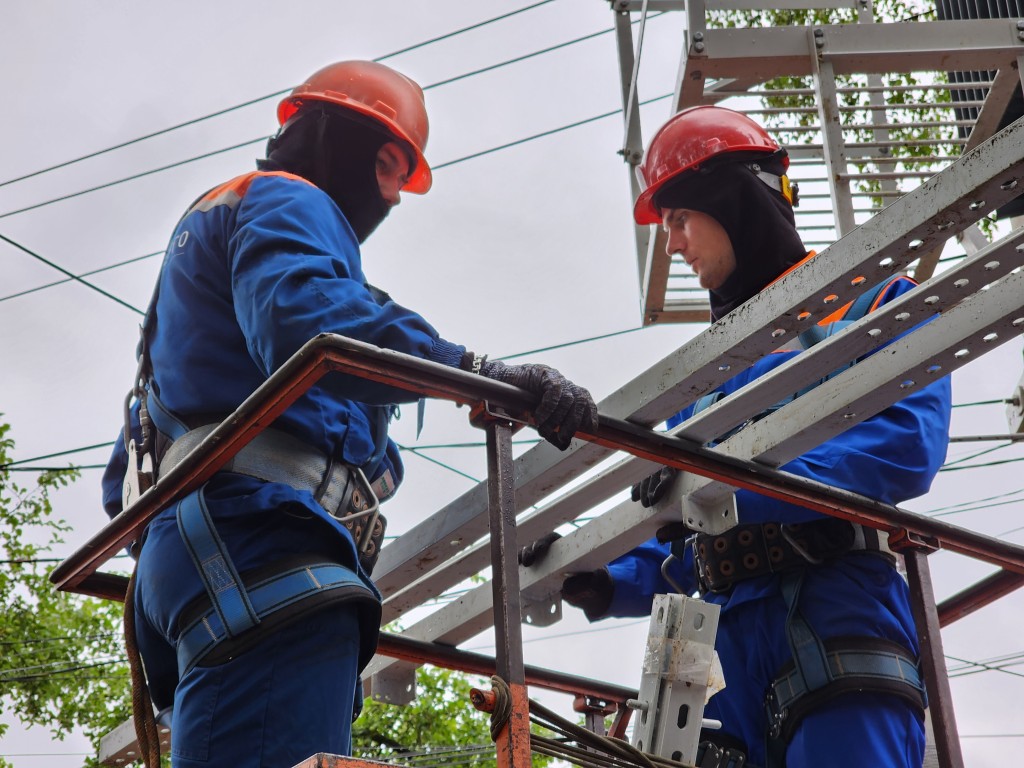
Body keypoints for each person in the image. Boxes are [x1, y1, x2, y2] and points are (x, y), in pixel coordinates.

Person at [101, 60, 598, 768]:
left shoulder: (203, 250)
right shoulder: (288, 201)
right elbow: (306, 319)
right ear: (383, 154)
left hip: (191, 557)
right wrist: (472, 373)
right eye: (396, 178)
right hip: (260, 546)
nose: (392, 200)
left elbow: (125, 474)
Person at [523, 106, 951, 768]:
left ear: (733, 201)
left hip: (833, 611)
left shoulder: (873, 304)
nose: (673, 244)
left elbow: (900, 449)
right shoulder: (702, 383)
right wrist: (605, 576)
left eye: (679, 220)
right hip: (718, 655)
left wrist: (730, 488)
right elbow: (681, 534)